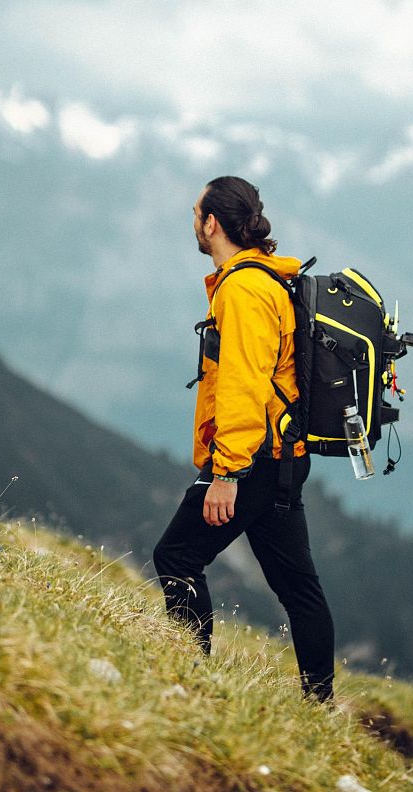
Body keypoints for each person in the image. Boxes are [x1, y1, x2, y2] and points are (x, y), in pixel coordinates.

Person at [153, 176, 335, 702]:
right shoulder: (265, 279)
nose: (193, 222)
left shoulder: (243, 289)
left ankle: (189, 679)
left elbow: (242, 385)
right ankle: (319, 704)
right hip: (281, 454)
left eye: (196, 213)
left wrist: (226, 473)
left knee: (178, 556)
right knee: (298, 587)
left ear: (212, 223)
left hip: (253, 458)